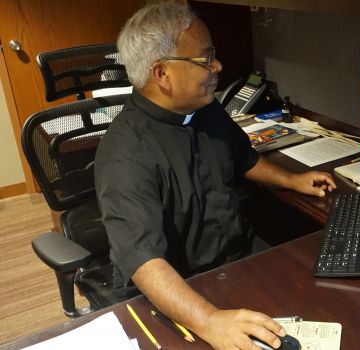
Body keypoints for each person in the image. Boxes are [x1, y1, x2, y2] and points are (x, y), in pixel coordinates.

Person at [94, 3, 336, 350]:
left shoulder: (204, 108)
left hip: (236, 260)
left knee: (323, 307)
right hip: (178, 291)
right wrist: (208, 320)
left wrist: (292, 180)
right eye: (205, 59)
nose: (218, 67)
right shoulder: (126, 156)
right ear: (162, 74)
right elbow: (145, 263)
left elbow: (243, 159)